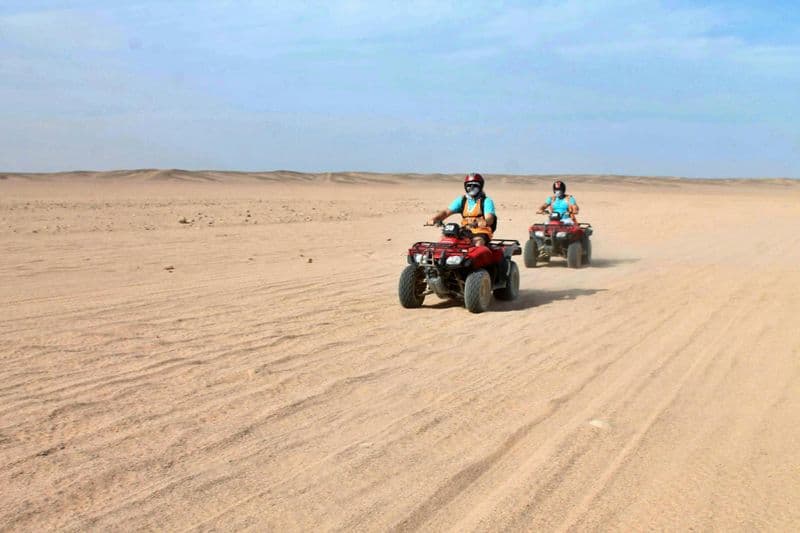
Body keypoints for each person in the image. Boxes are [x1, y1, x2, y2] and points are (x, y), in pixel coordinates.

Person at [427, 173, 497, 246]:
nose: (472, 187)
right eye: (469, 185)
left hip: (481, 231)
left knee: (477, 243)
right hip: (464, 230)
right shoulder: (462, 200)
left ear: (481, 186)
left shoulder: (486, 201)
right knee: (444, 239)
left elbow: (490, 218)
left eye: (475, 185)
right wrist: (435, 219)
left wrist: (481, 222)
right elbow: (446, 212)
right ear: (465, 186)